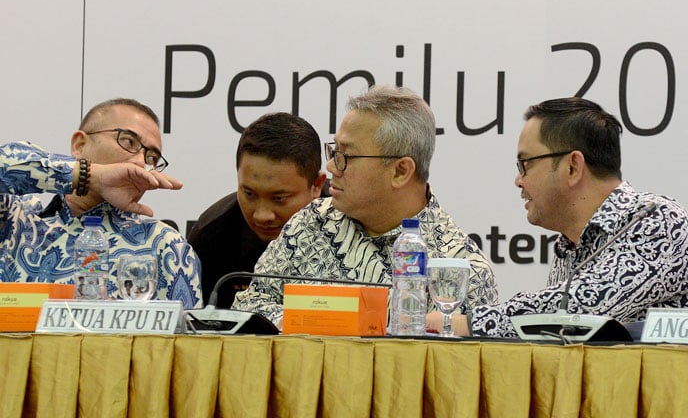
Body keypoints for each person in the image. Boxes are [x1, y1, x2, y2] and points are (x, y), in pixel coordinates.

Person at [427, 97, 688, 338]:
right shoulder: (570, 244)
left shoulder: (659, 221)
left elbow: (582, 310)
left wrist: (462, 323)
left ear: (573, 167)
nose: (518, 181)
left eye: (525, 164)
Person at [232, 84, 499, 326]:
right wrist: (332, 322)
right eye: (333, 151)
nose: (332, 167)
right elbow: (249, 307)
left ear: (400, 171)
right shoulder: (310, 223)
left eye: (345, 156)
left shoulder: (459, 269)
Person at [0, 98, 203, 310]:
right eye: (128, 142)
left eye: (151, 157)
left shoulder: (163, 245)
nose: (140, 163)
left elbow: (187, 331)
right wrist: (90, 176)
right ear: (79, 145)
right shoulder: (15, 220)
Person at [188, 112, 328, 308]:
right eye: (249, 194)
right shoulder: (211, 237)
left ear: (317, 185)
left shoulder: (353, 220)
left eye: (279, 198)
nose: (262, 216)